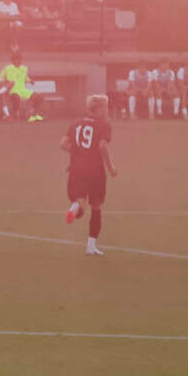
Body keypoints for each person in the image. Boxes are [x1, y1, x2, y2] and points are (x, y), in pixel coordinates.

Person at [61, 93, 117, 257]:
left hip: (76, 169)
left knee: (80, 202)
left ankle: (74, 208)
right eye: (105, 107)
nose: (107, 110)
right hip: (95, 172)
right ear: (98, 109)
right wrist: (111, 167)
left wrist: (77, 154)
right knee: (96, 206)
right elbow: (103, 146)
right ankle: (91, 246)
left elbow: (63, 143)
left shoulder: (75, 123)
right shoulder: (104, 124)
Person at [0, 51, 40, 122]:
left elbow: (25, 78)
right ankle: (16, 114)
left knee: (39, 97)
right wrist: (4, 85)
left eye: (19, 59)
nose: (18, 61)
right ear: (12, 60)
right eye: (16, 59)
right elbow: (1, 78)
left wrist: (30, 81)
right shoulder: (7, 68)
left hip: (23, 90)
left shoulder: (24, 68)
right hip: (13, 90)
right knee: (16, 97)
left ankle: (31, 113)